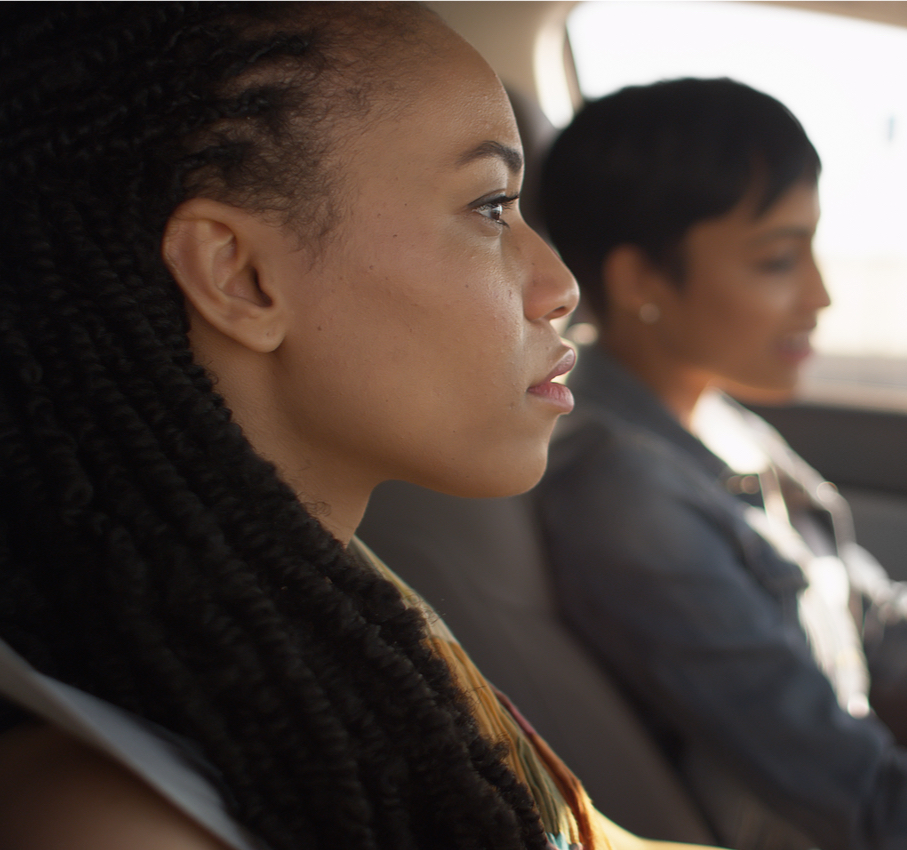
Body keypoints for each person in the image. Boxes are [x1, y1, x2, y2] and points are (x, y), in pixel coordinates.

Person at [0, 5, 711, 850]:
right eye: (491, 206)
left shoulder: (343, 606)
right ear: (240, 276)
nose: (560, 286)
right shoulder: (104, 820)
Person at [536, 77, 907, 850]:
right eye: (779, 260)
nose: (820, 295)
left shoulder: (713, 418)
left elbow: (865, 629)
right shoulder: (629, 502)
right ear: (639, 279)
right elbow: (880, 816)